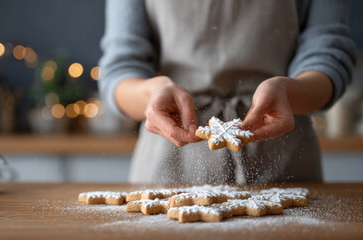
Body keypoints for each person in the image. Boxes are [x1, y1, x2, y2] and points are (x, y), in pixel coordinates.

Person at [98, 0, 356, 184]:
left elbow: (328, 53)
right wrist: (152, 93)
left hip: (283, 159)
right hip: (169, 166)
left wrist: (290, 92)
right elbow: (120, 69)